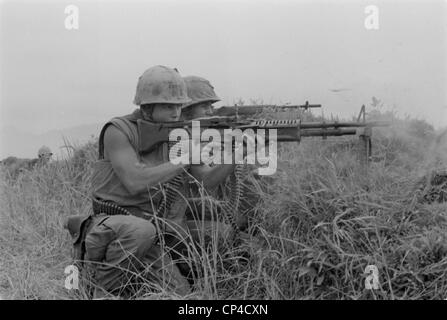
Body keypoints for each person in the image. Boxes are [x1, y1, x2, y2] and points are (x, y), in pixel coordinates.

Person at [65, 66, 198, 298]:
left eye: (179, 105)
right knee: (140, 230)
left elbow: (204, 178)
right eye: (168, 105)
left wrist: (233, 155)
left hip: (148, 229)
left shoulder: (174, 133)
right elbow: (135, 181)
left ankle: (129, 285)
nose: (176, 112)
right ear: (146, 106)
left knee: (181, 296)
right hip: (114, 225)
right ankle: (97, 289)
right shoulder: (118, 130)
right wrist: (185, 160)